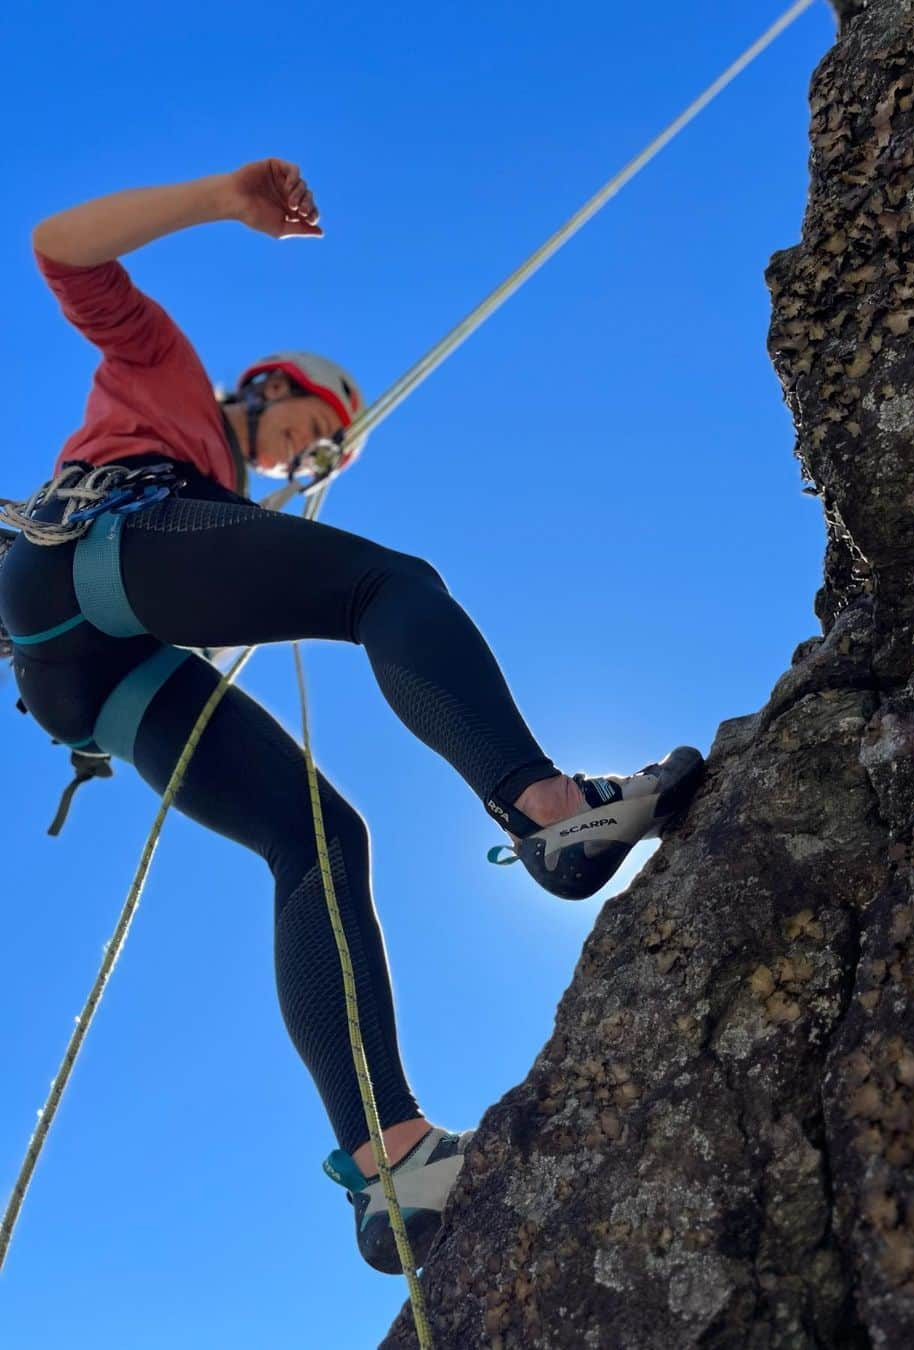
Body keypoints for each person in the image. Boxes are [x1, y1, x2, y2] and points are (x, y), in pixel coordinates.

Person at [0, 159, 704, 1274]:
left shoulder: (218, 504)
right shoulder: (166, 374)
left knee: (320, 840)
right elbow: (58, 246)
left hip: (93, 673)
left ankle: (391, 1164)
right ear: (264, 386)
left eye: (317, 450)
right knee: (389, 586)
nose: (296, 457)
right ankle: (550, 808)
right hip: (105, 543)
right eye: (303, 427)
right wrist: (221, 201)